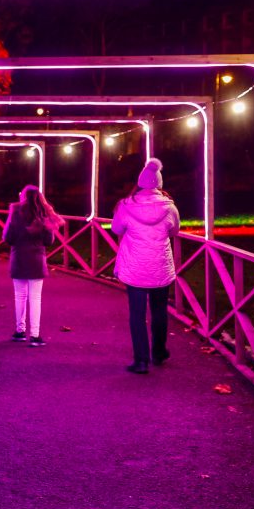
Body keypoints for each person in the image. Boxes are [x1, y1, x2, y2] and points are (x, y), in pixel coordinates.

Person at [111, 158, 181, 374]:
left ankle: (141, 360)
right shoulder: (169, 207)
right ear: (159, 183)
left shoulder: (126, 205)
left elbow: (116, 229)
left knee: (137, 314)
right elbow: (174, 231)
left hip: (135, 267)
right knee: (160, 311)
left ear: (140, 183)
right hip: (159, 265)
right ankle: (159, 352)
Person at [2, 184, 61, 346]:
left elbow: (7, 237)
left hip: (19, 259)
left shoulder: (15, 213)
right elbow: (49, 241)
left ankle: (19, 331)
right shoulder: (43, 215)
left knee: (20, 296)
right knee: (35, 298)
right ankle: (35, 336)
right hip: (36, 260)